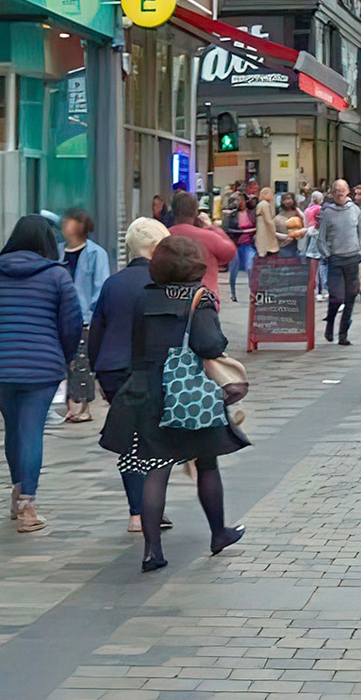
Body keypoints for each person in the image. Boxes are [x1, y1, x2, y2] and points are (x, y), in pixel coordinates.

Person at [99, 233, 249, 570]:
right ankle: (218, 533)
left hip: (149, 390)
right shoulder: (200, 298)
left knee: (156, 468)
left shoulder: (144, 298)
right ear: (195, 266)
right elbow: (210, 345)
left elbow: (137, 345)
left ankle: (153, 551)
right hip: (190, 392)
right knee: (207, 463)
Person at [0, 216, 84, 533]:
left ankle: (18, 494)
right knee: (30, 431)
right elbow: (72, 324)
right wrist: (63, 359)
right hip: (42, 368)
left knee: (14, 429)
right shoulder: (57, 275)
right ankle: (27, 504)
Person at [84, 218, 167, 531]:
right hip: (150, 369)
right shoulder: (162, 284)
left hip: (113, 369)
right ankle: (152, 507)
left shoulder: (113, 283)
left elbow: (98, 329)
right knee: (153, 439)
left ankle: (137, 511)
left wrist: (97, 369)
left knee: (131, 439)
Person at [58, 209, 111, 423]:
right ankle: (71, 404)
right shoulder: (58, 251)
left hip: (84, 318)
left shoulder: (96, 253)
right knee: (65, 363)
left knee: (81, 363)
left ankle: (82, 406)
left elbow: (101, 286)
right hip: (60, 317)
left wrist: (95, 317)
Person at [315, 179, 361, 343]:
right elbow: (320, 238)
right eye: (336, 190)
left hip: (352, 258)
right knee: (336, 297)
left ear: (348, 192)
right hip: (335, 259)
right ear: (331, 192)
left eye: (342, 190)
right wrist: (328, 255)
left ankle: (343, 334)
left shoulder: (355, 210)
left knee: (351, 296)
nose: (340, 193)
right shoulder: (327, 212)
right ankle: (330, 324)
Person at [224, 193, 257, 303]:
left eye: (240, 200)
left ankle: (253, 293)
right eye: (235, 200)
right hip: (236, 244)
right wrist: (243, 232)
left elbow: (257, 227)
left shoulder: (252, 214)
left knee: (250, 268)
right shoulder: (232, 215)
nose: (237, 202)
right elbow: (227, 230)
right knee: (234, 270)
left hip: (248, 244)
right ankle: (233, 293)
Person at [255, 186, 280, 262]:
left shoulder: (261, 204)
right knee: (266, 245)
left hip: (261, 228)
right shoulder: (265, 205)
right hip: (265, 229)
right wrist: (274, 229)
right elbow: (268, 219)